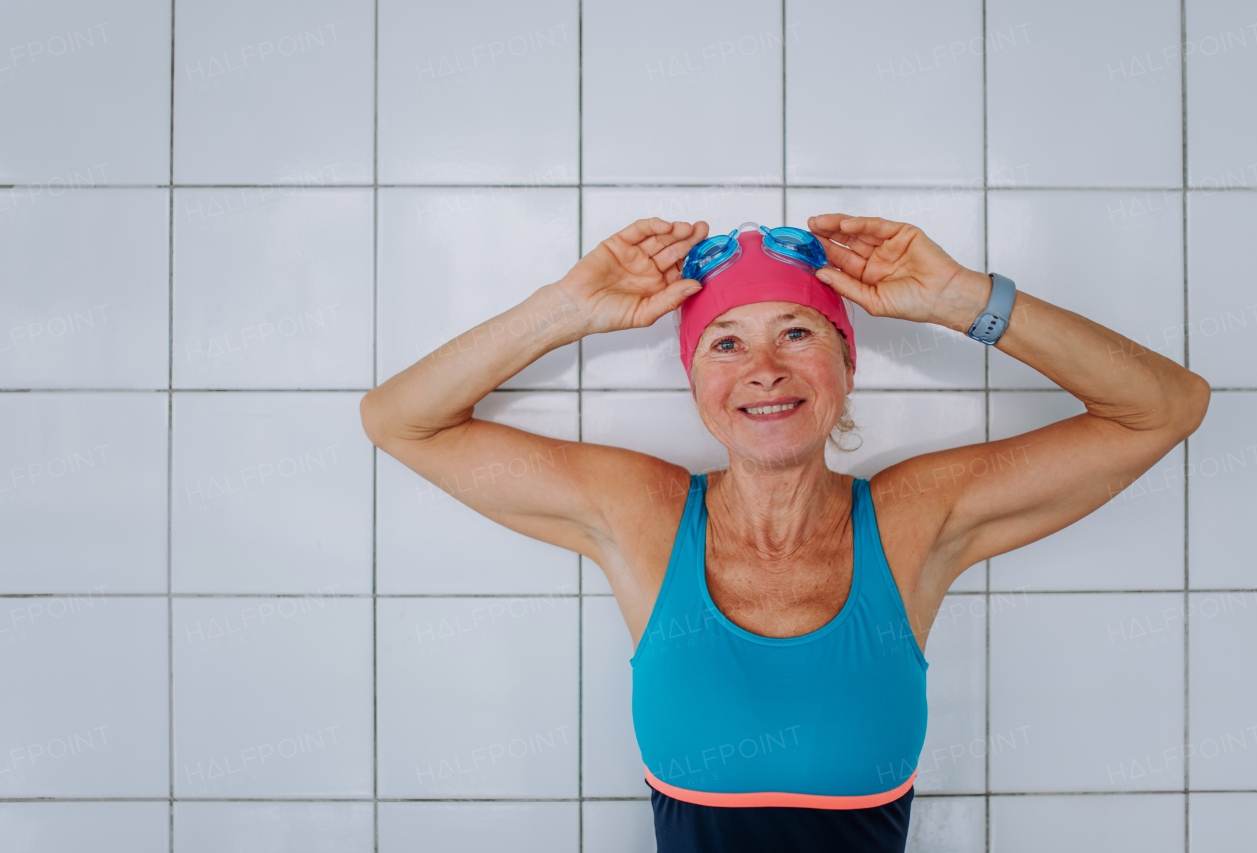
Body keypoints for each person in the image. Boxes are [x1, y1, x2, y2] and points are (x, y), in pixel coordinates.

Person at [359, 215, 1210, 852]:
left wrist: (962, 300)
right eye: (725, 343)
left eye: (796, 334)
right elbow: (400, 420)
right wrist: (564, 310)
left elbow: (1167, 408)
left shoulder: (915, 519)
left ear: (847, 364)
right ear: (694, 381)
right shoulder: (642, 513)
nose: (763, 369)